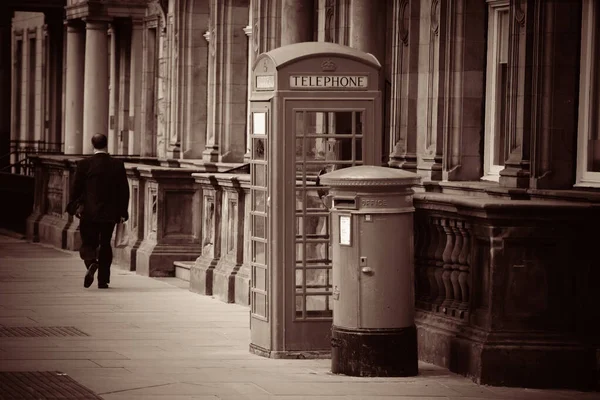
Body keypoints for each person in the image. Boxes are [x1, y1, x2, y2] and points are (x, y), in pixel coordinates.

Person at [67, 133, 129, 289]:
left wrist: (72, 205)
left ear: (92, 145)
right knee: (105, 244)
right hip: (110, 213)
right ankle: (103, 280)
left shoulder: (84, 165)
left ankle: (91, 263)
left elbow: (75, 189)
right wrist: (123, 211)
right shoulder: (117, 164)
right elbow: (124, 190)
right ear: (106, 144)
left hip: (89, 212)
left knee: (88, 243)